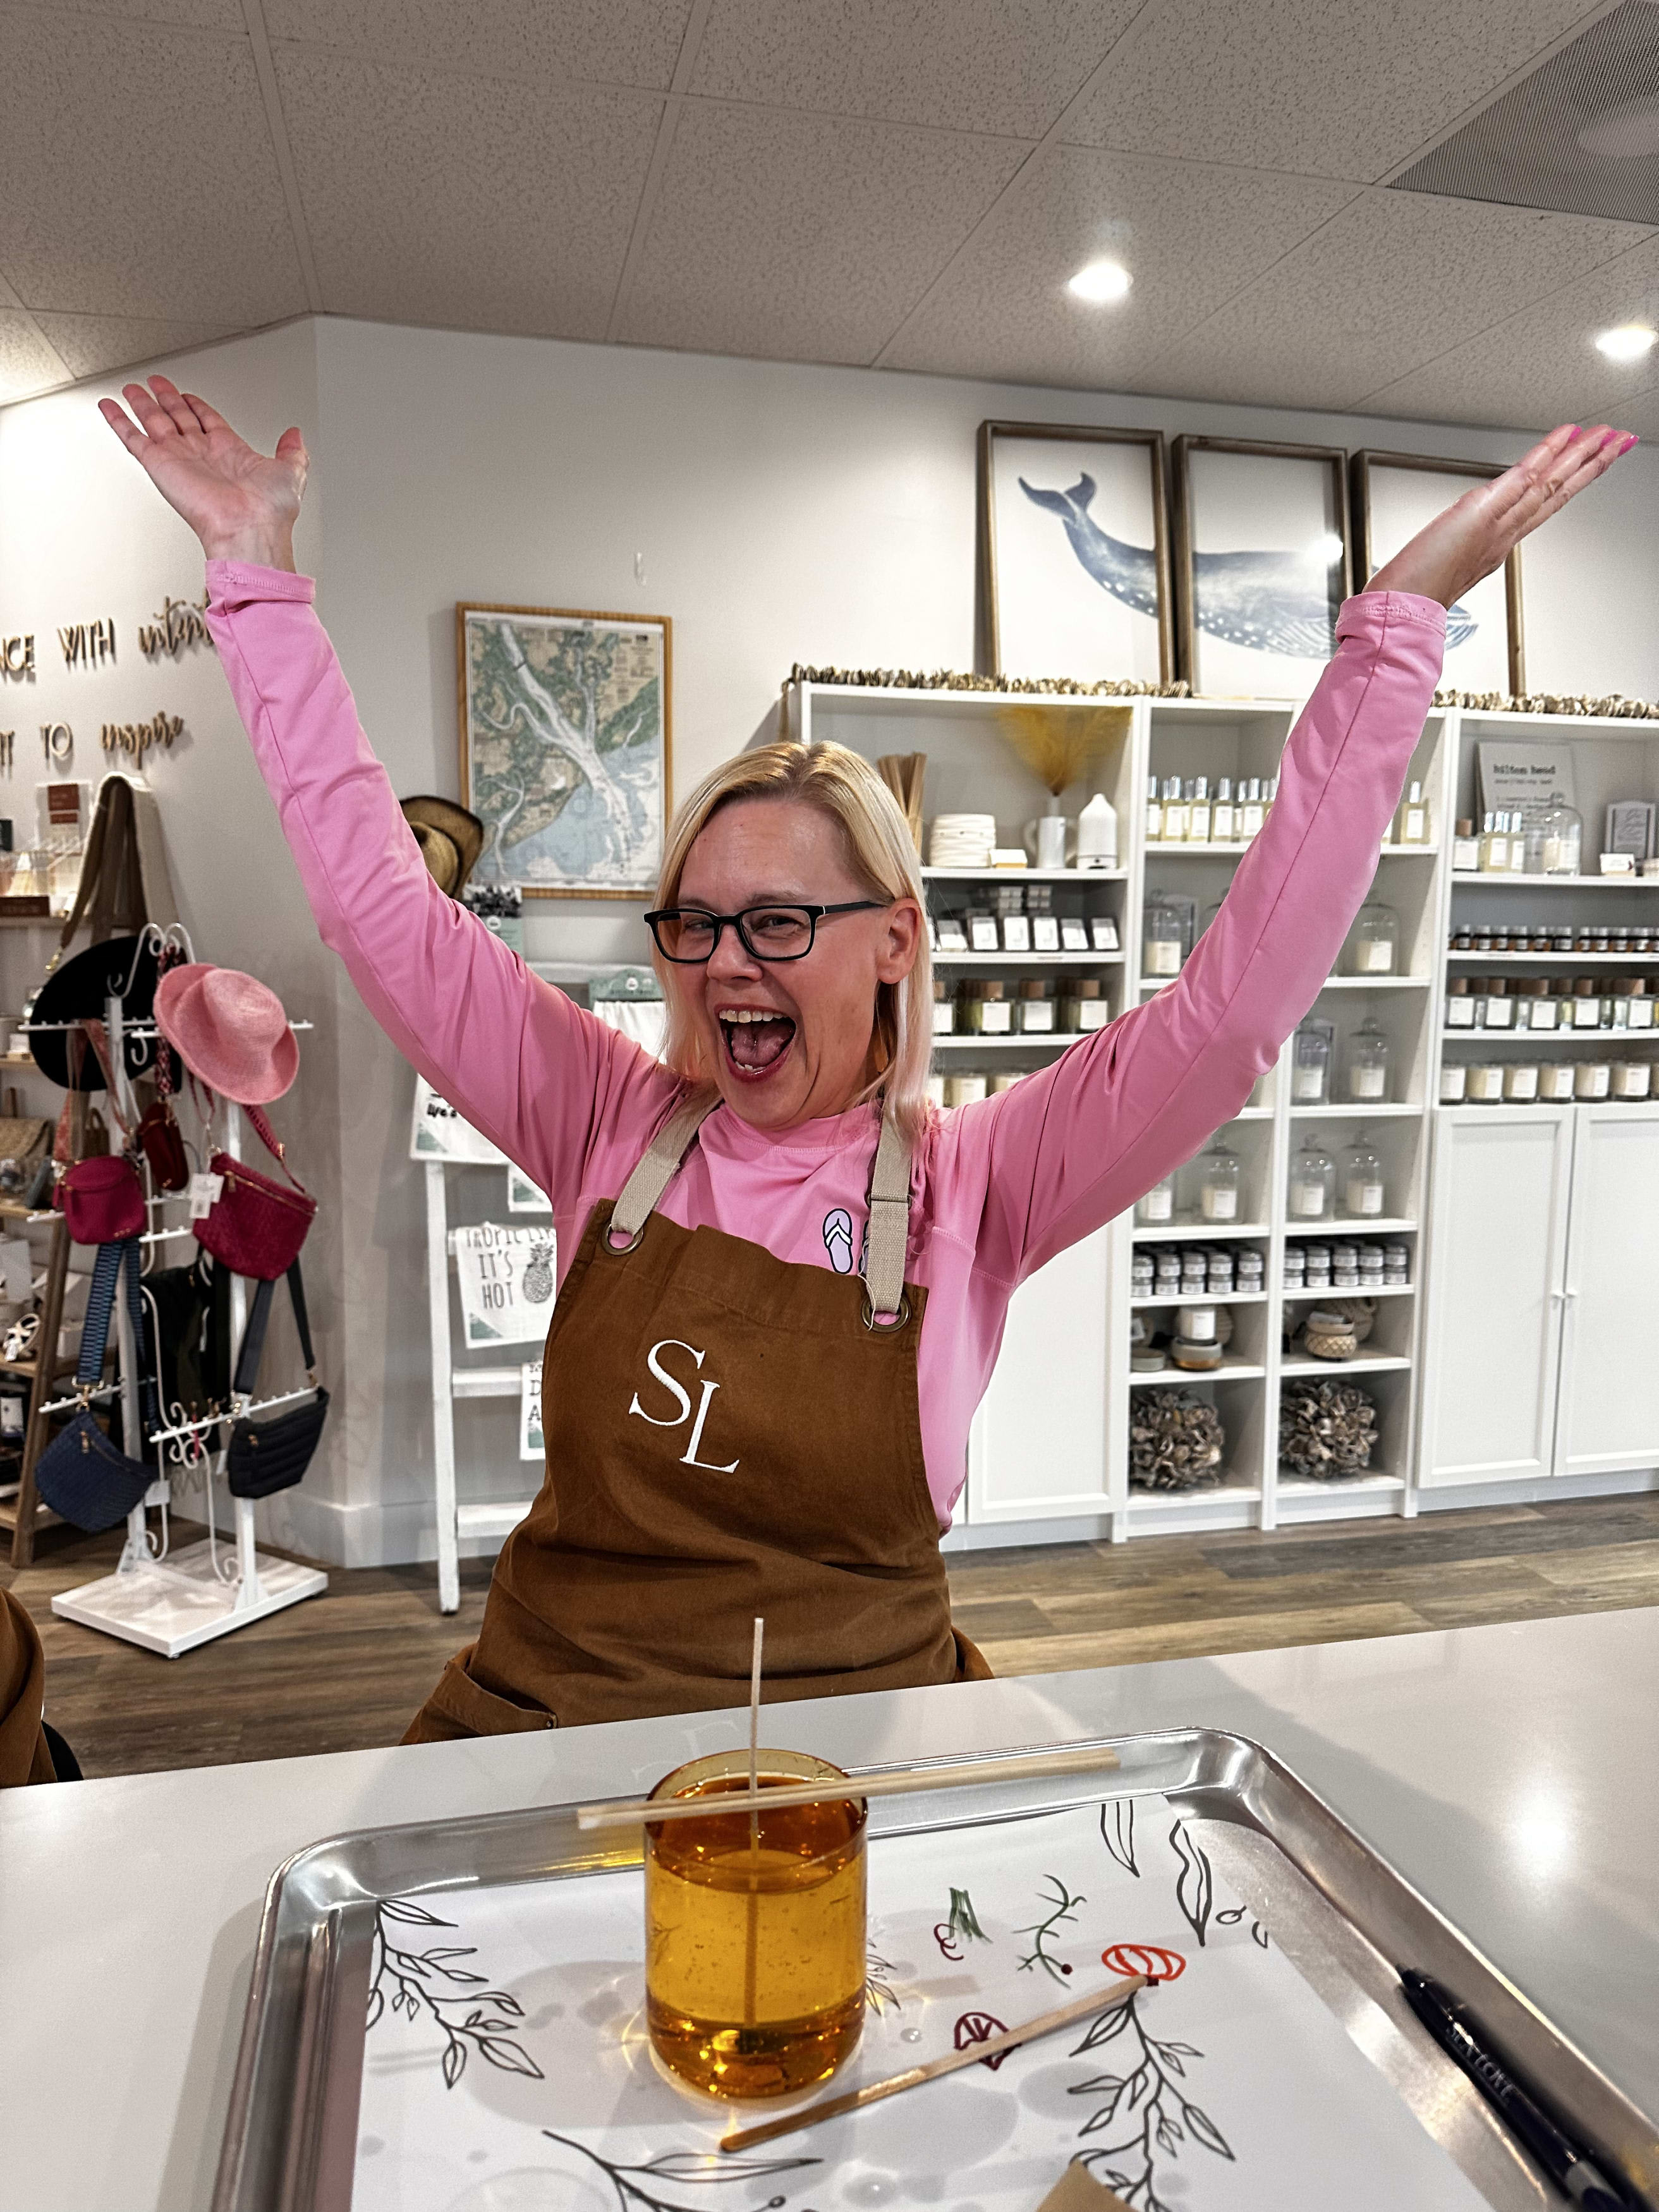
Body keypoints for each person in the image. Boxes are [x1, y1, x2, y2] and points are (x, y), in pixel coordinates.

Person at [99, 379, 1633, 1737]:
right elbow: (378, 905)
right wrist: (257, 578)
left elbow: (1230, 1011)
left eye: (774, 921)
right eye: (690, 925)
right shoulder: (604, 1120)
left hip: (860, 1741)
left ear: (893, 937)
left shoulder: (982, 1177)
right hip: (552, 1713)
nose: (721, 967)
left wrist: (1394, 632)